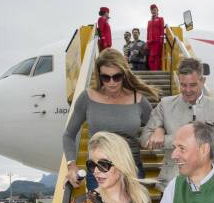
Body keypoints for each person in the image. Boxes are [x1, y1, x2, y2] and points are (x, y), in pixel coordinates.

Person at [141, 57, 214, 190]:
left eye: (193, 85)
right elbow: (144, 139)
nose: (187, 90)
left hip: (209, 188)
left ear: (202, 81)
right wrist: (163, 134)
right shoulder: (165, 105)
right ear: (178, 81)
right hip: (171, 186)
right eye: (183, 85)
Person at [63, 48, 159, 188]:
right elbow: (68, 135)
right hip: (98, 173)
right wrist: (71, 166)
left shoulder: (138, 100)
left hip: (131, 171)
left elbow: (157, 125)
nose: (112, 82)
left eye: (117, 76)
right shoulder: (87, 98)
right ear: (99, 75)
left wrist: (158, 131)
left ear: (124, 74)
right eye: (106, 77)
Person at [146, 3, 164, 71]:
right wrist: (147, 42)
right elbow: (148, 32)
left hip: (157, 41)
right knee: (151, 58)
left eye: (154, 9)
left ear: (157, 10)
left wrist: (161, 39)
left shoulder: (160, 19)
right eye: (152, 10)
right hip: (151, 42)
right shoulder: (149, 21)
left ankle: (156, 71)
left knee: (156, 57)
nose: (153, 11)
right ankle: (152, 70)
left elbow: (162, 29)